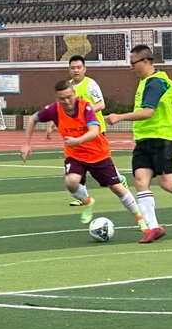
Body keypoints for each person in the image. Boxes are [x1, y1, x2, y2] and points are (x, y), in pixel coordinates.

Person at [105, 45, 172, 244]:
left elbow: (148, 112)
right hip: (143, 138)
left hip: (160, 138)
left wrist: (119, 117)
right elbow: (168, 103)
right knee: (140, 181)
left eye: (133, 63)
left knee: (167, 183)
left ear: (145, 61)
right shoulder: (152, 80)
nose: (131, 67)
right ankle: (153, 228)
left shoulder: (155, 82)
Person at [21, 80, 147, 232]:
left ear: (74, 94)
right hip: (75, 155)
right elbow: (32, 119)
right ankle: (87, 201)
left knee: (117, 188)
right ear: (57, 98)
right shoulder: (54, 109)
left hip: (98, 154)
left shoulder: (85, 107)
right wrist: (26, 144)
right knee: (71, 181)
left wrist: (77, 141)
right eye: (62, 99)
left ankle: (141, 220)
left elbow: (94, 131)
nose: (67, 101)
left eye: (69, 97)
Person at [51, 55, 127, 206]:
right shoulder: (68, 87)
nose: (76, 70)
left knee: (101, 160)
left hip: (94, 131)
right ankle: (82, 196)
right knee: (77, 161)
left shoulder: (90, 84)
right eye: (73, 68)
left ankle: (118, 177)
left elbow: (101, 104)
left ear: (84, 69)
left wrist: (85, 112)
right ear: (69, 70)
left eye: (79, 67)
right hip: (76, 132)